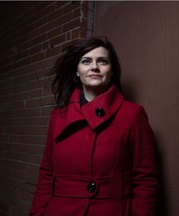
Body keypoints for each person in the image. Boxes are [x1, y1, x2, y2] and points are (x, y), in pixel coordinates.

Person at [30, 37, 158, 216]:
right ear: (77, 71)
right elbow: (46, 173)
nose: (94, 67)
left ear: (112, 71)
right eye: (86, 61)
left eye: (103, 61)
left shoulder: (132, 114)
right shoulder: (58, 116)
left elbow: (145, 179)